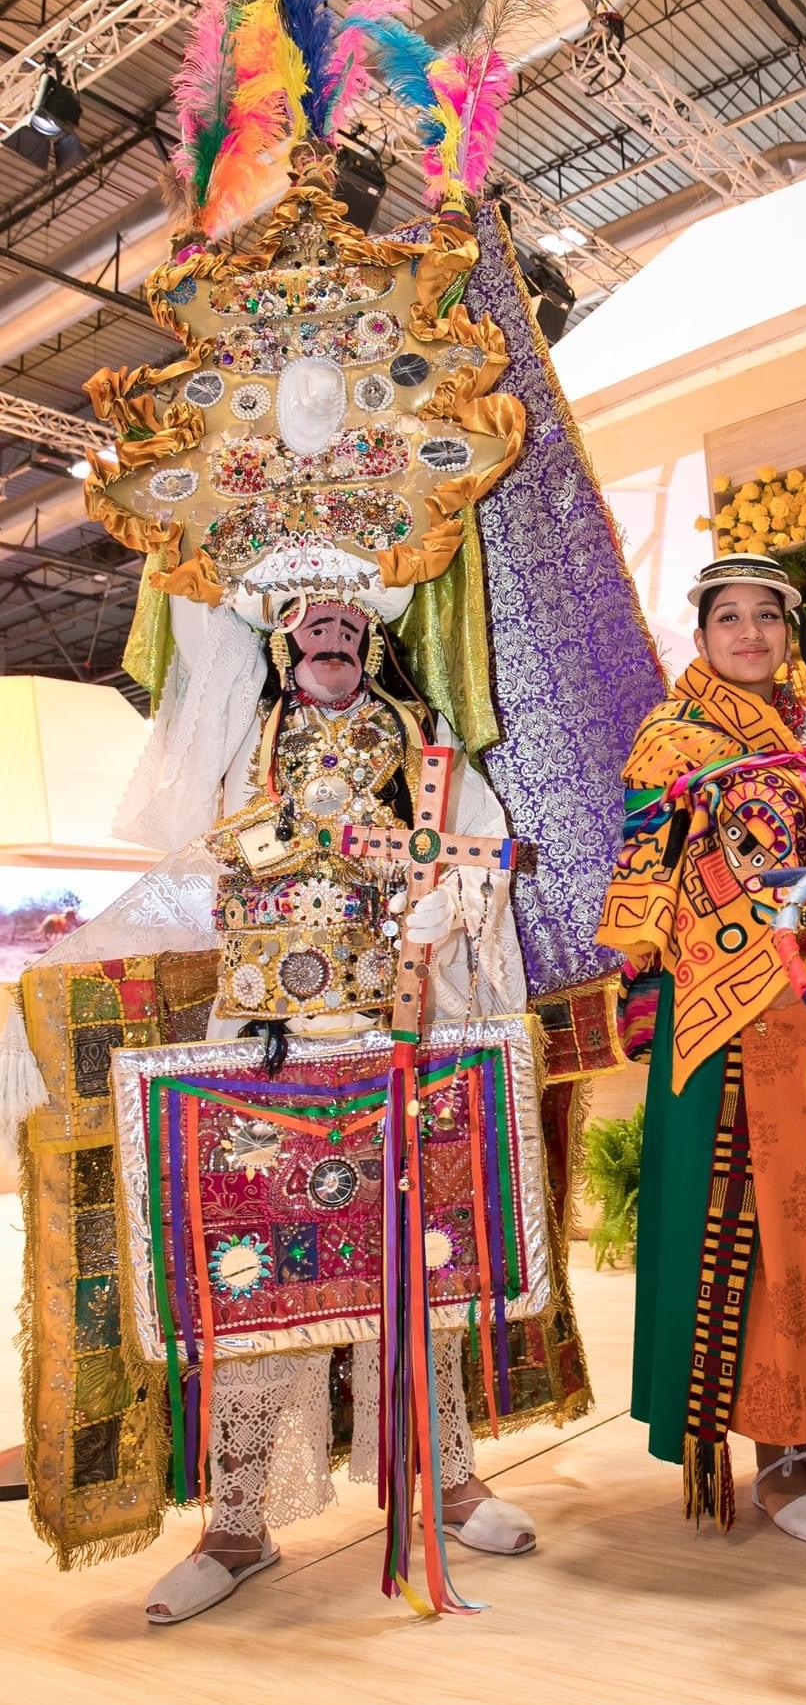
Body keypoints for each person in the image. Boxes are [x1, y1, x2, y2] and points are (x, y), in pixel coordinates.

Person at [138, 587, 536, 1623]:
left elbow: (483, 860)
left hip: (393, 1040)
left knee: (422, 1264)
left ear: (372, 642)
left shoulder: (424, 746)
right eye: (314, 622)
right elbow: (180, 858)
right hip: (265, 1054)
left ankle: (448, 1478)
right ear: (283, 640)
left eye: (350, 625)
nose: (333, 636)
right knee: (254, 1276)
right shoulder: (240, 744)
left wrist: (445, 902)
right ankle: (236, 1521)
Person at [598, 554, 806, 1547]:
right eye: (728, 617)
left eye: (766, 618)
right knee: (759, 1240)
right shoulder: (672, 740)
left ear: (791, 633)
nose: (750, 633)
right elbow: (650, 866)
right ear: (699, 638)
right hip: (733, 1013)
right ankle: (776, 1455)